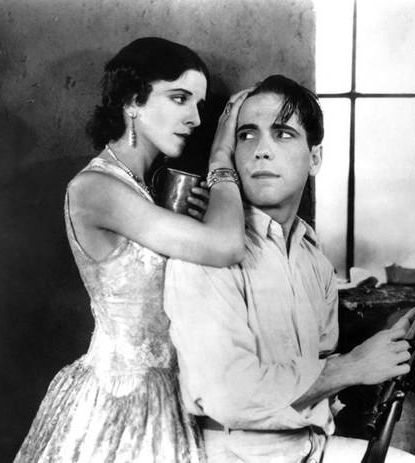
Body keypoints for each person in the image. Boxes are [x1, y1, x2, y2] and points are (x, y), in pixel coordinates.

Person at [164, 75, 415, 462]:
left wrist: (394, 346)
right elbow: (229, 395)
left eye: (282, 134)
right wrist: (355, 366)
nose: (261, 150)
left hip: (310, 447)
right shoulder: (206, 252)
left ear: (315, 159)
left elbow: (319, 370)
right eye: (246, 135)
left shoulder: (312, 259)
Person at [15, 37, 251, 463]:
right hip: (118, 398)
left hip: (174, 394)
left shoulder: (147, 190)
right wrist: (221, 158)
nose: (196, 118)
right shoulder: (95, 188)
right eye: (179, 98)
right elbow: (227, 246)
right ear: (132, 101)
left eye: (199, 104)